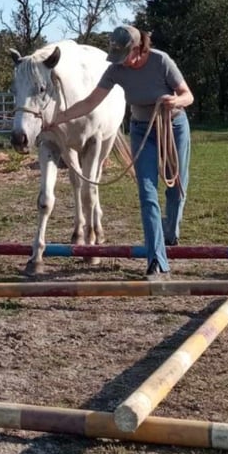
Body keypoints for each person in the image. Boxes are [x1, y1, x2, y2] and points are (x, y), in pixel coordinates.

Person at [45, 25, 194, 278]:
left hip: (172, 125)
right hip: (140, 129)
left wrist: (175, 101)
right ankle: (156, 260)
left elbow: (188, 95)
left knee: (176, 188)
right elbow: (90, 102)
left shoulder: (161, 61)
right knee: (147, 194)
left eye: (125, 55)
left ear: (138, 49)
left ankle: (171, 231)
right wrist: (58, 119)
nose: (121, 62)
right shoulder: (116, 70)